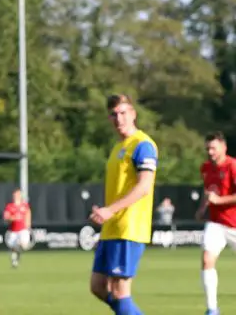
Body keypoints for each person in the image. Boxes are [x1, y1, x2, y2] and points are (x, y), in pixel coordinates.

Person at [88, 94, 158, 315]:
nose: (119, 118)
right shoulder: (118, 147)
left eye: (123, 112)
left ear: (133, 114)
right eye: (114, 114)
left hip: (129, 227)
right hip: (112, 228)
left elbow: (144, 187)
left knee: (120, 291)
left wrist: (111, 210)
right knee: (98, 287)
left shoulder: (143, 145)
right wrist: (104, 211)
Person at [197, 131, 236, 315]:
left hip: (234, 223)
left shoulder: (233, 166)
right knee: (207, 259)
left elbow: (220, 197)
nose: (210, 152)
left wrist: (219, 201)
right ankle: (212, 309)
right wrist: (202, 208)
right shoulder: (205, 168)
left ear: (223, 147)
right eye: (208, 149)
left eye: (213, 148)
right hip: (216, 223)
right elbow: (209, 192)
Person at [3, 188, 31, 268]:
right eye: (15, 194)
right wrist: (13, 218)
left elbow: (28, 213)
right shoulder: (10, 206)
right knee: (13, 248)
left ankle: (16, 259)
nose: (17, 196)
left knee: (23, 245)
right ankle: (14, 261)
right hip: (13, 231)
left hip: (23, 230)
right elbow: (6, 217)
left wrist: (28, 223)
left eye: (18, 194)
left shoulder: (25, 205)